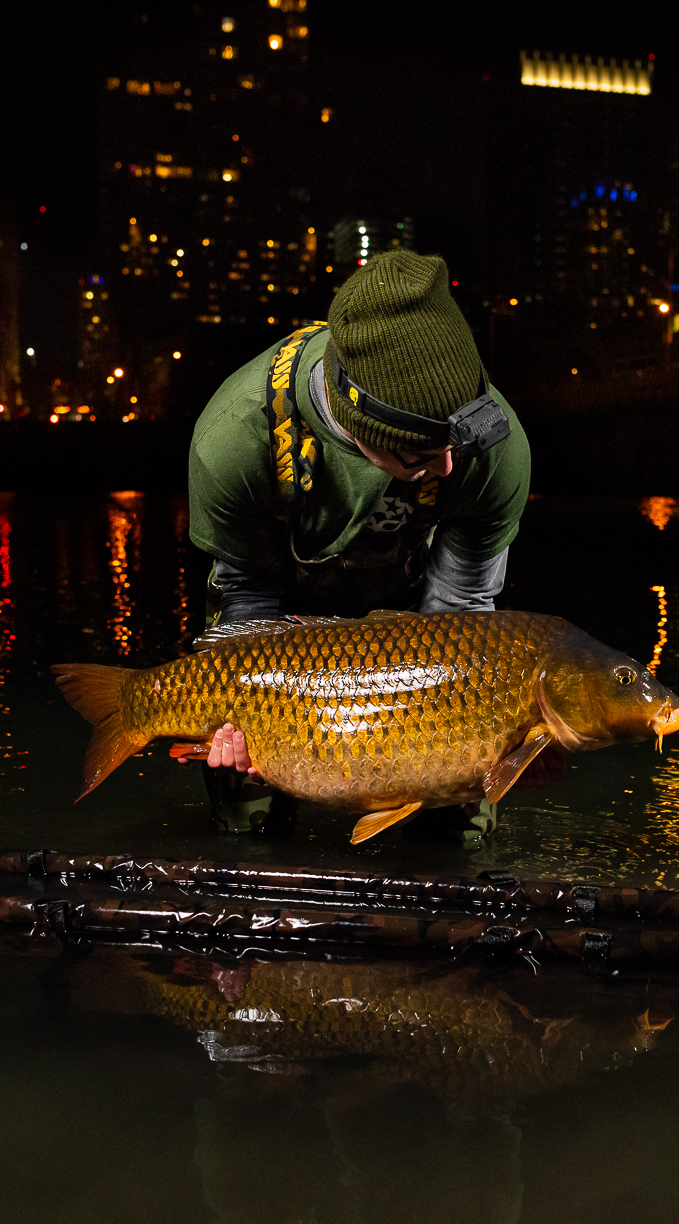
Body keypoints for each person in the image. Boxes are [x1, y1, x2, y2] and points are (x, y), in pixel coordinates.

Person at [185, 250, 531, 843]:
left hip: (418, 636)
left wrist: (455, 747)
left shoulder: (495, 454)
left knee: (462, 828)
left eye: (456, 445)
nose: (446, 467)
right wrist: (246, 720)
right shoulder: (234, 442)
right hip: (280, 645)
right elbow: (245, 599)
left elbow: (461, 616)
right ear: (358, 420)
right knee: (249, 823)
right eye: (420, 457)